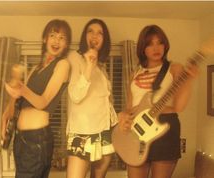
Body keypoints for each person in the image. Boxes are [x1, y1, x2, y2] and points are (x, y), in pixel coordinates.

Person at [118, 24, 201, 178]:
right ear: (143, 48)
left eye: (160, 42)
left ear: (165, 45)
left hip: (165, 129)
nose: (156, 47)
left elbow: (179, 107)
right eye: (150, 43)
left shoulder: (174, 68)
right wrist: (123, 114)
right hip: (137, 131)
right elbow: (129, 107)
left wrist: (188, 81)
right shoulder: (135, 72)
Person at [2, 19, 72, 178]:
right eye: (53, 35)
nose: (56, 41)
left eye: (62, 38)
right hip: (21, 139)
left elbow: (43, 101)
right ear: (44, 39)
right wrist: (6, 113)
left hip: (37, 139)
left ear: (66, 44)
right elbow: (19, 99)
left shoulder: (63, 65)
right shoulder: (35, 68)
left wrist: (20, 88)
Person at [66, 18, 118, 178]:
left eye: (100, 33)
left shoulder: (102, 67)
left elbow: (106, 103)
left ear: (104, 40)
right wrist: (88, 66)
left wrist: (117, 122)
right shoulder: (74, 57)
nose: (95, 36)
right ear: (84, 36)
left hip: (104, 132)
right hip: (81, 132)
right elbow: (75, 96)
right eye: (91, 31)